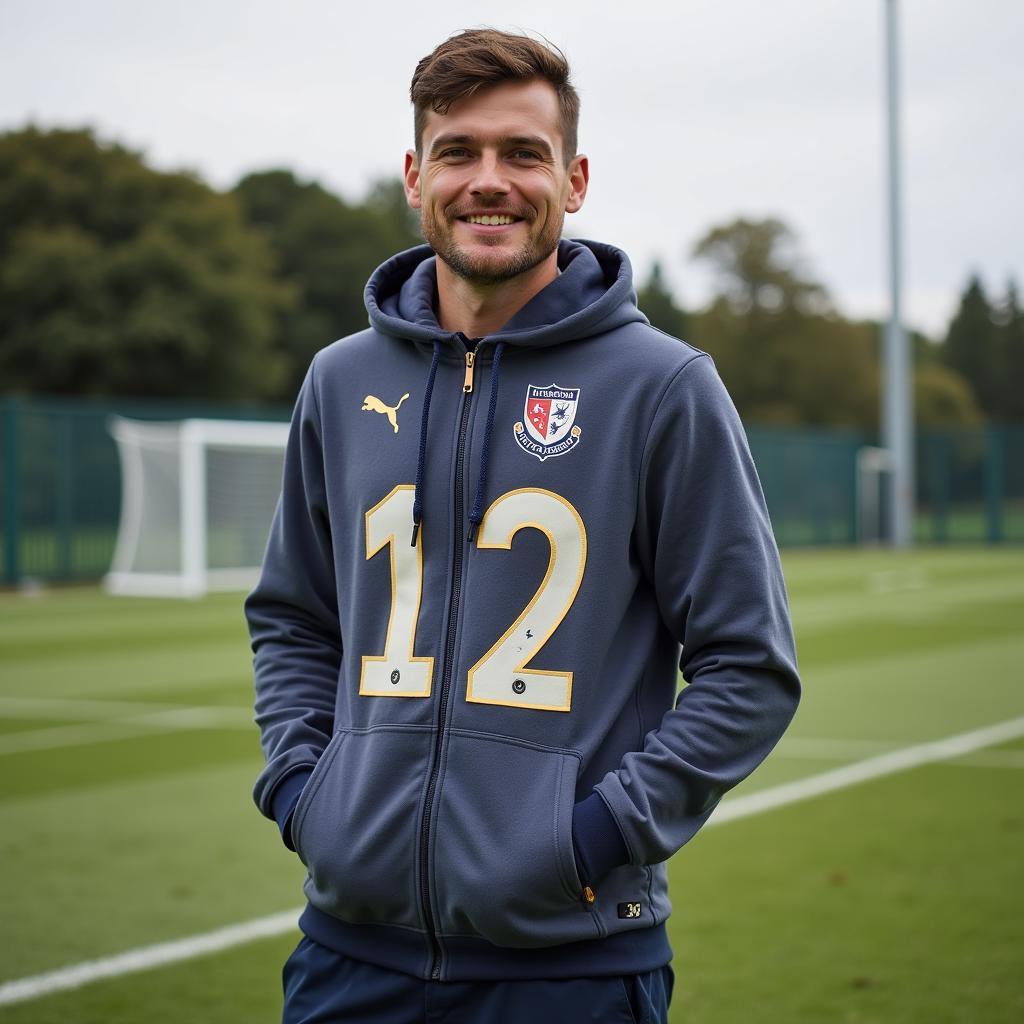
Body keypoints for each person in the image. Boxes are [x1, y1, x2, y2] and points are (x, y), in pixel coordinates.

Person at [247, 28, 800, 1024]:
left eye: (522, 153)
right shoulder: (340, 381)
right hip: (345, 958)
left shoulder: (664, 386)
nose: (487, 181)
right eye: (458, 152)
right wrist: (301, 792)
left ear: (574, 178)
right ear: (415, 174)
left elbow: (747, 665)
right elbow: (292, 614)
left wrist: (590, 838)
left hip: (572, 968)